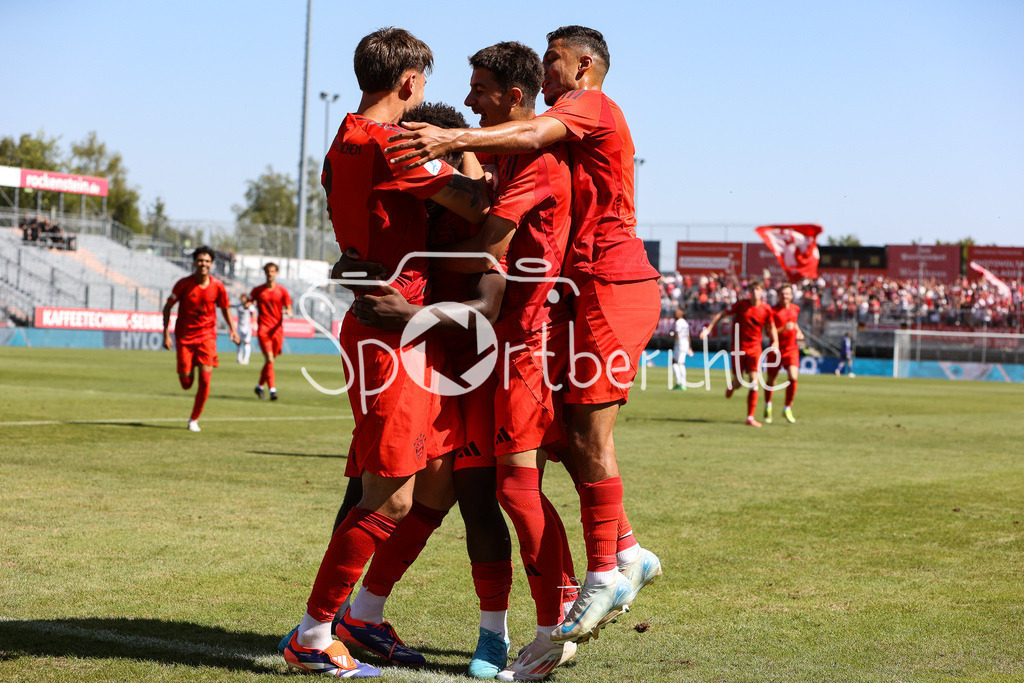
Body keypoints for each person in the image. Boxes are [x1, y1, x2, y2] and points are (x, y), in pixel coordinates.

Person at [386, 25, 664, 645]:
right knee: (557, 448)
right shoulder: (533, 147)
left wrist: (450, 142)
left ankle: (592, 580)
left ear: (585, 64)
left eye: (554, 61)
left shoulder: (584, 109)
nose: (546, 72)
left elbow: (506, 195)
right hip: (566, 298)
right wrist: (429, 175)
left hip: (599, 286)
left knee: (559, 453)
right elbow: (487, 197)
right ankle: (621, 552)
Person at [281, 27, 490, 680]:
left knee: (425, 478)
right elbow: (480, 203)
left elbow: (351, 221)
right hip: (391, 332)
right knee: (390, 497)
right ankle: (316, 631)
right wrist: (463, 146)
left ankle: (354, 617)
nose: (422, 96)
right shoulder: (394, 143)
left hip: (392, 325)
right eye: (422, 84)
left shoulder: (340, 142)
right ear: (408, 83)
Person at [162, 246, 240, 432]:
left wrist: (233, 330)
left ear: (212, 264)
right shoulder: (183, 284)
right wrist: (165, 333)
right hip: (185, 338)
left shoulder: (218, 286)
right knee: (186, 384)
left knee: (205, 381)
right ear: (194, 262)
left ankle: (194, 419)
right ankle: (192, 365)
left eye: (207, 261)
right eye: (200, 260)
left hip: (207, 337)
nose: (203, 264)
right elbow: (167, 307)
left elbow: (225, 308)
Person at [700, 280, 778, 427]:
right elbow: (722, 314)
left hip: (755, 348)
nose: (755, 292)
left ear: (762, 292)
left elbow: (771, 326)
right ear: (749, 291)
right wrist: (709, 329)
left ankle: (750, 417)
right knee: (739, 382)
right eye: (752, 289)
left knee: (754, 381)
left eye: (758, 289)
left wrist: (775, 341)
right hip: (738, 348)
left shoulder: (766, 309)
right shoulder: (741, 305)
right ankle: (732, 386)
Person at [250, 263, 293, 400]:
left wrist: (288, 312)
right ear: (264, 273)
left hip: (277, 331)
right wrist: (247, 303)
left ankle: (259, 386)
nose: (270, 274)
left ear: (276, 273)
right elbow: (249, 302)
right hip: (263, 329)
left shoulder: (282, 291)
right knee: (269, 359)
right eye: (268, 271)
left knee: (270, 361)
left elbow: (289, 308)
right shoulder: (258, 290)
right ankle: (272, 390)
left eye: (272, 271)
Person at [764, 283, 803, 423]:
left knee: (793, 377)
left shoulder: (795, 309)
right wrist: (783, 329)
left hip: (791, 349)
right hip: (775, 350)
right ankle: (767, 405)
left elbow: (794, 323)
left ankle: (787, 408)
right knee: (771, 380)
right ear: (778, 295)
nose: (785, 296)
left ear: (791, 295)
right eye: (782, 294)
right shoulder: (772, 311)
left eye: (787, 294)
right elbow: (768, 332)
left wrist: (798, 332)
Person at [671, 308, 694, 390]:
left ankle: (682, 383)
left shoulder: (678, 323)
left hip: (679, 345)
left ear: (679, 314)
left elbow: (677, 335)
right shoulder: (685, 323)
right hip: (685, 344)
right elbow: (688, 336)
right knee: (675, 362)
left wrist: (673, 337)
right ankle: (679, 382)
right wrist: (690, 346)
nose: (674, 315)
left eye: (675, 313)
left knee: (680, 363)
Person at [234, 293, 256, 365]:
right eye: (242, 298)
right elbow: (230, 305)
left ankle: (246, 359)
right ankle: (239, 358)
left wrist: (253, 324)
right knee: (239, 343)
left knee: (246, 343)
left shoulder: (250, 307)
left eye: (244, 298)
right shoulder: (238, 305)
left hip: (247, 327)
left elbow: (253, 315)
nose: (243, 299)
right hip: (239, 326)